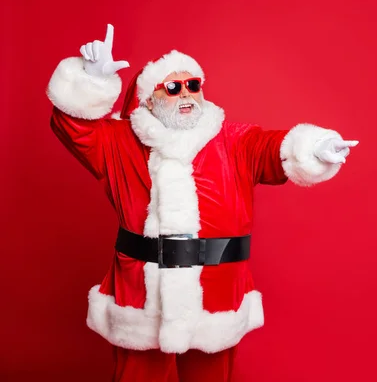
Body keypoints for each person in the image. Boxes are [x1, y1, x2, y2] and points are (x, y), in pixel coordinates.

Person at [46, 24, 358, 382]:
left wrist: (316, 147)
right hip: (142, 293)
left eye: (193, 85)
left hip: (218, 292)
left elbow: (276, 148)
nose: (186, 95)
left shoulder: (235, 140)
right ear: (149, 98)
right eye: (173, 87)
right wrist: (91, 80)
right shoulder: (117, 142)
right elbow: (72, 127)